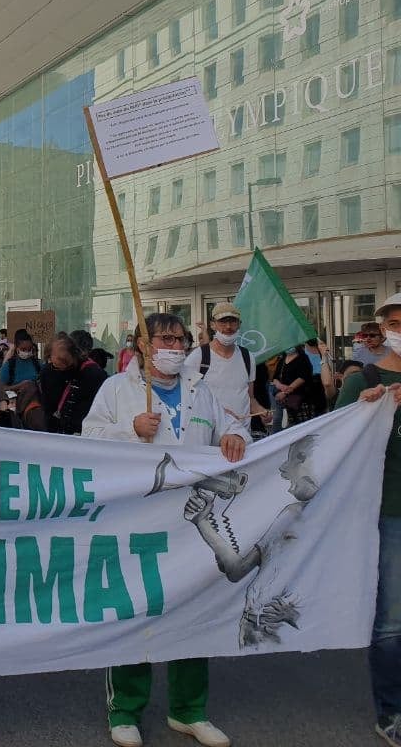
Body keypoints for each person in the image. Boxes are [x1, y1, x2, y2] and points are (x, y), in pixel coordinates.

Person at [82, 313, 244, 747]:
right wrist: (129, 430)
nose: (173, 346)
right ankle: (125, 710)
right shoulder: (117, 389)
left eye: (179, 339)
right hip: (138, 519)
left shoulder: (200, 389)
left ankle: (188, 709)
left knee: (193, 610)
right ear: (142, 345)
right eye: (164, 339)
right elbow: (87, 437)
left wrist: (235, 437)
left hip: (190, 519)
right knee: (136, 608)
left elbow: (230, 425)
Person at [335, 293, 401, 745]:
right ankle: (392, 712)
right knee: (393, 620)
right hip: (390, 513)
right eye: (394, 321)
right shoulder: (365, 380)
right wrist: (365, 408)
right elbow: (331, 443)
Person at [182, 302, 269, 436]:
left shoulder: (247, 357)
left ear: (239, 324)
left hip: (242, 436)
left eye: (233, 321)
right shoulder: (198, 357)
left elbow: (250, 399)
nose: (228, 327)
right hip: (211, 439)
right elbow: (185, 399)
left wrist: (262, 411)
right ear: (213, 325)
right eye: (222, 322)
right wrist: (220, 414)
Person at [273, 342, 316, 425]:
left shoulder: (303, 358)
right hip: (287, 400)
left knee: (302, 425)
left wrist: (285, 392)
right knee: (290, 422)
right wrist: (280, 386)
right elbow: (275, 378)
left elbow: (303, 377)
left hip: (301, 399)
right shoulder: (282, 359)